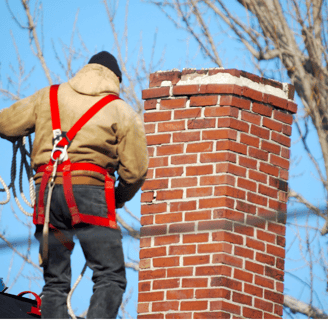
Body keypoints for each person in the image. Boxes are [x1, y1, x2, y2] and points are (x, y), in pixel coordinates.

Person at [0, 51, 149, 318]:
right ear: (116, 79)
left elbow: (5, 124)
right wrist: (118, 199)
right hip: (91, 194)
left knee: (55, 282)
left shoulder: (47, 96)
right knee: (110, 276)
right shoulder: (121, 110)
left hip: (47, 195)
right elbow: (136, 172)